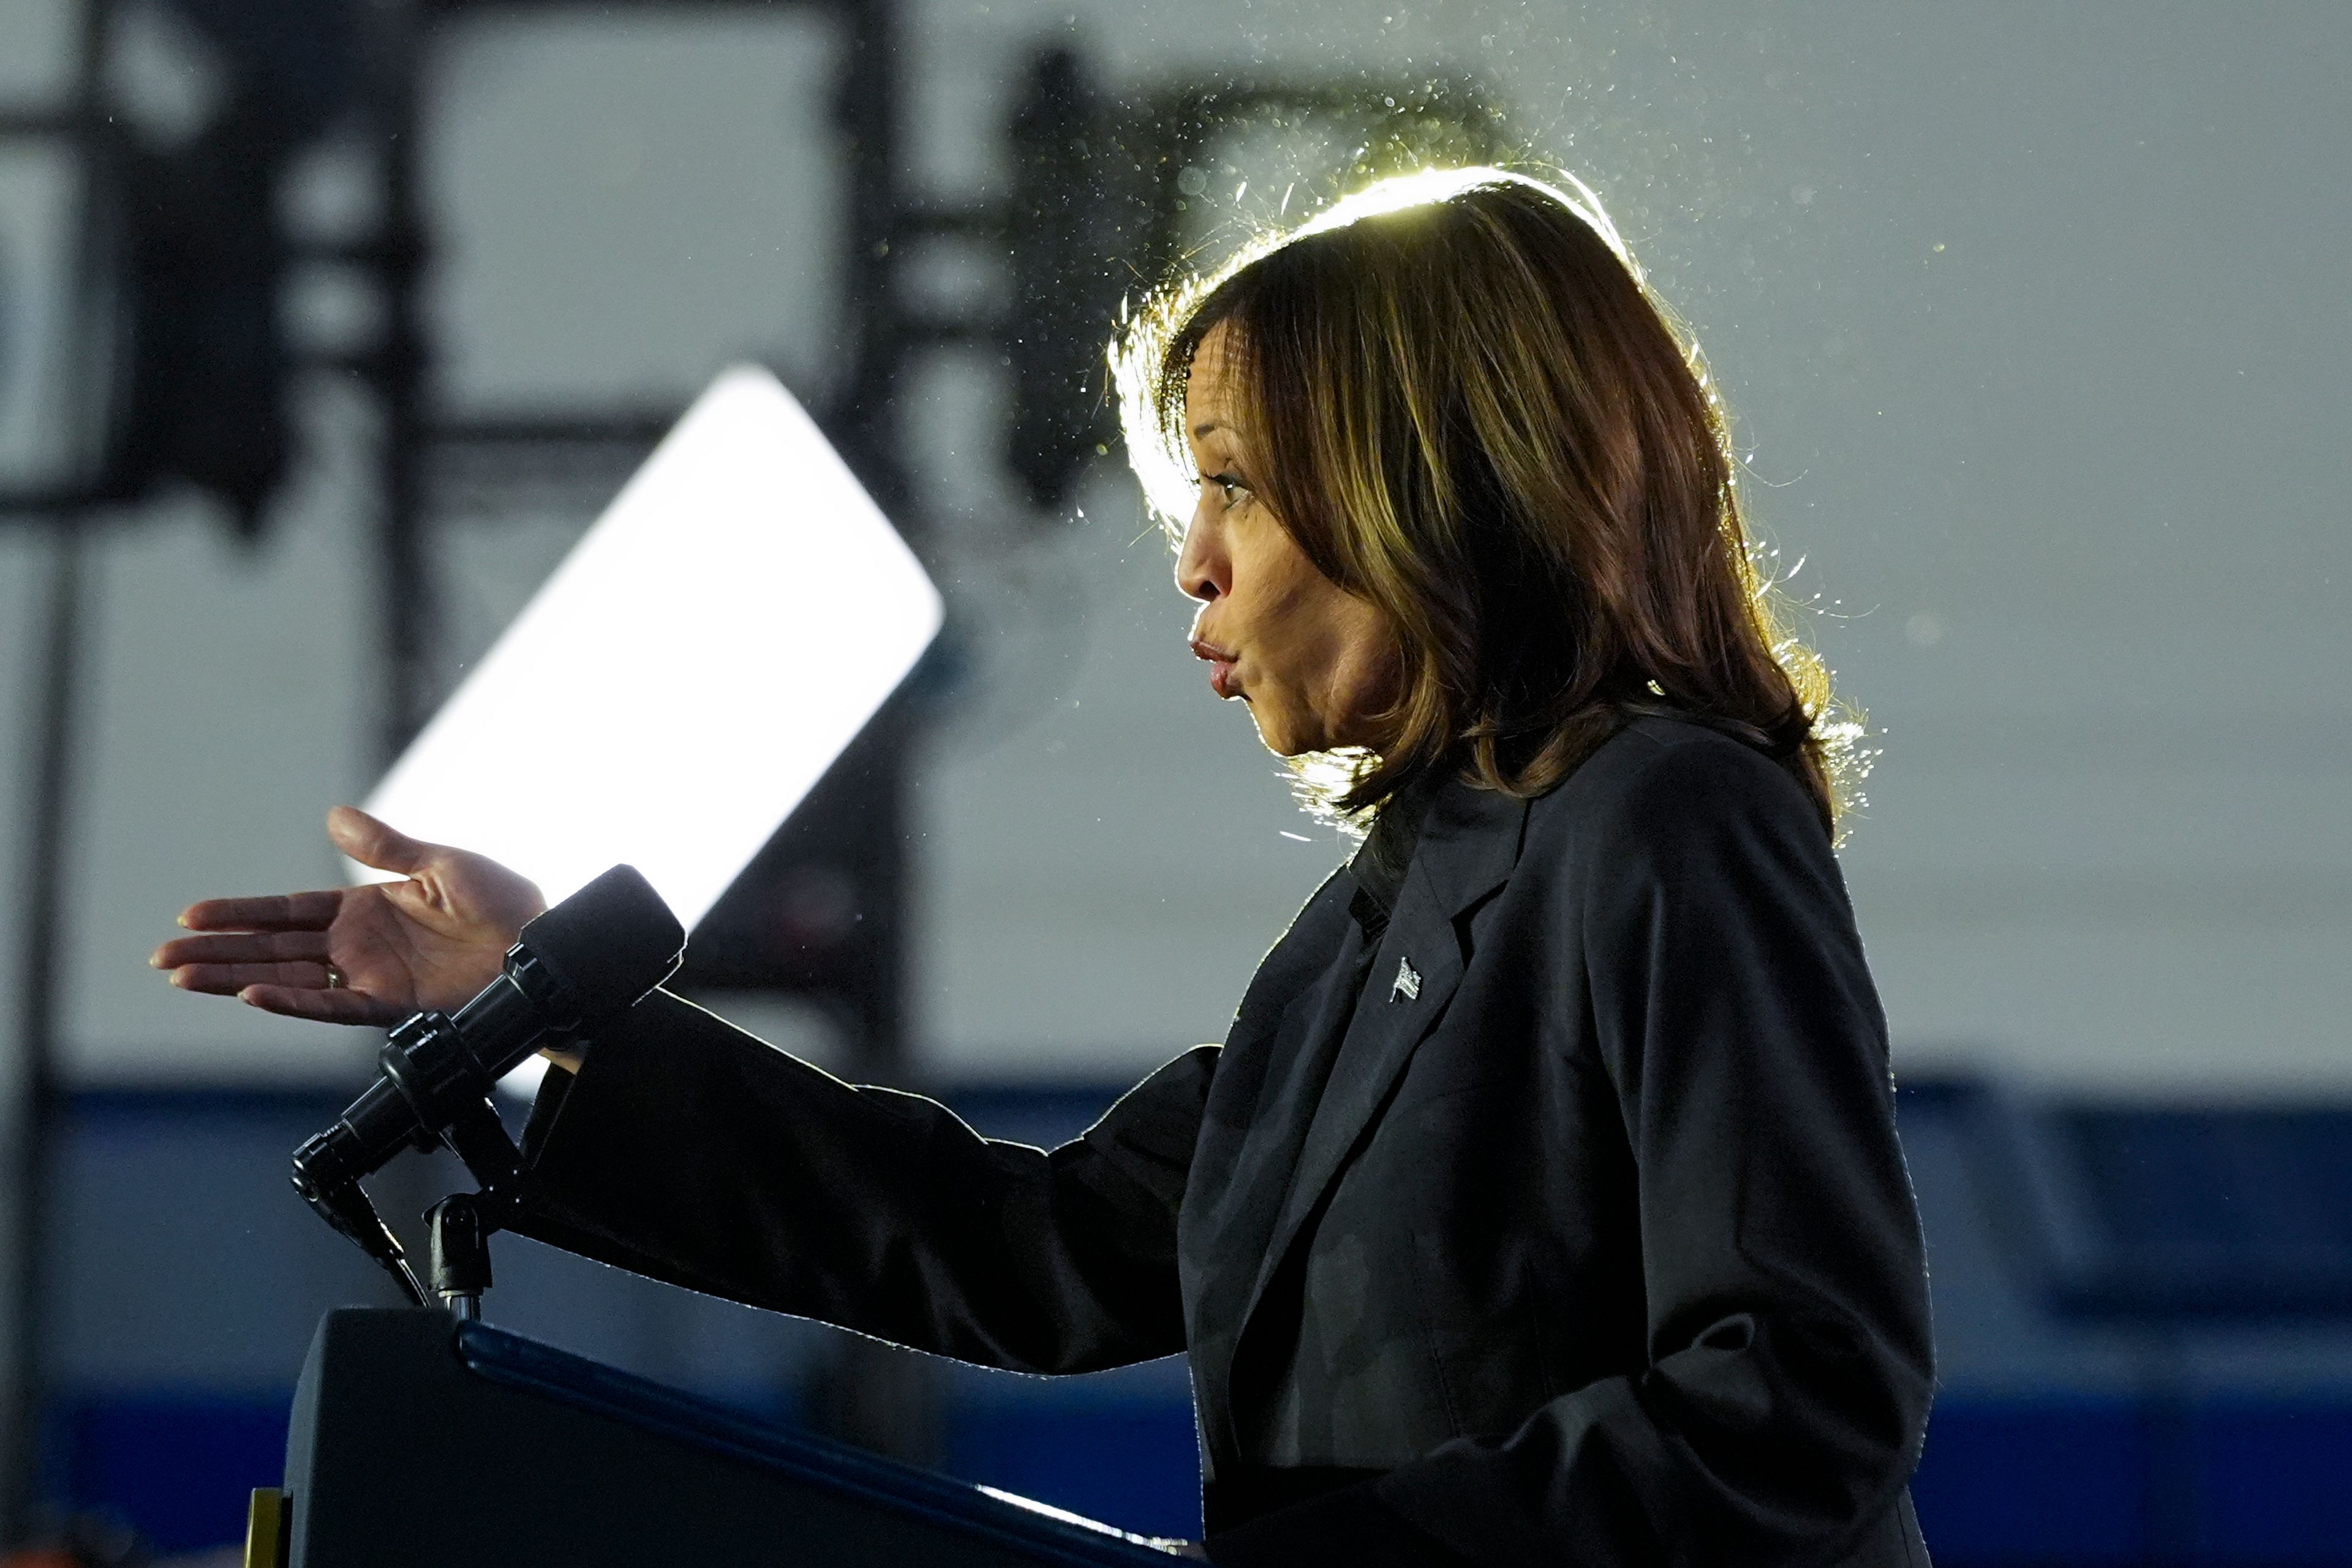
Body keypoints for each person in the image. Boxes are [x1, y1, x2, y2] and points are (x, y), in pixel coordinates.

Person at [153, 167, 1934, 1567]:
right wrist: (546, 1009)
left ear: (1422, 471)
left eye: (1232, 485)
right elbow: (1034, 1253)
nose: (1195, 569)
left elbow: (1795, 1391)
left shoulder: (1666, 821)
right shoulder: (1368, 936)